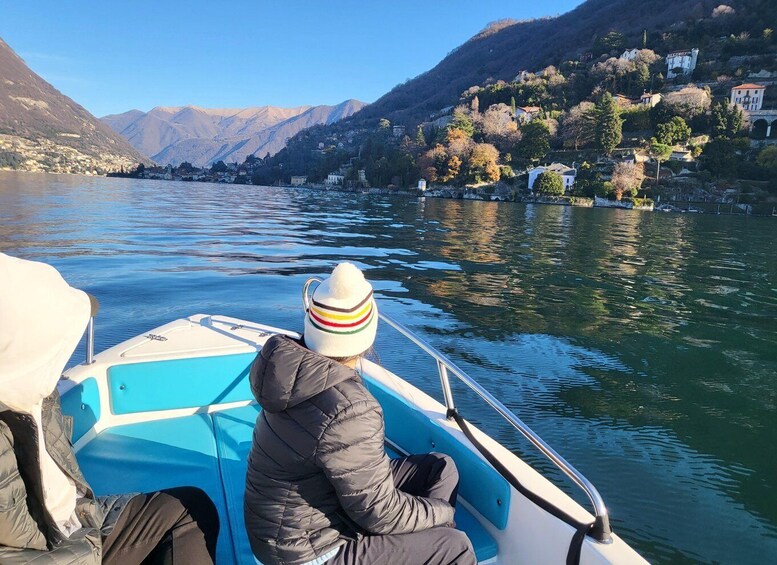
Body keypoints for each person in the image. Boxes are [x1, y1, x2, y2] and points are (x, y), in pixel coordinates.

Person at [244, 262, 477, 565]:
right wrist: (442, 512)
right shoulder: (350, 408)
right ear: (367, 334)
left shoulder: (291, 369)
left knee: (439, 468)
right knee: (455, 546)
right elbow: (378, 513)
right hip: (304, 551)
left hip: (292, 522)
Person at [0, 253, 220, 564]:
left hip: (69, 527)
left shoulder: (34, 391)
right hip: (57, 553)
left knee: (186, 507)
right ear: (23, 350)